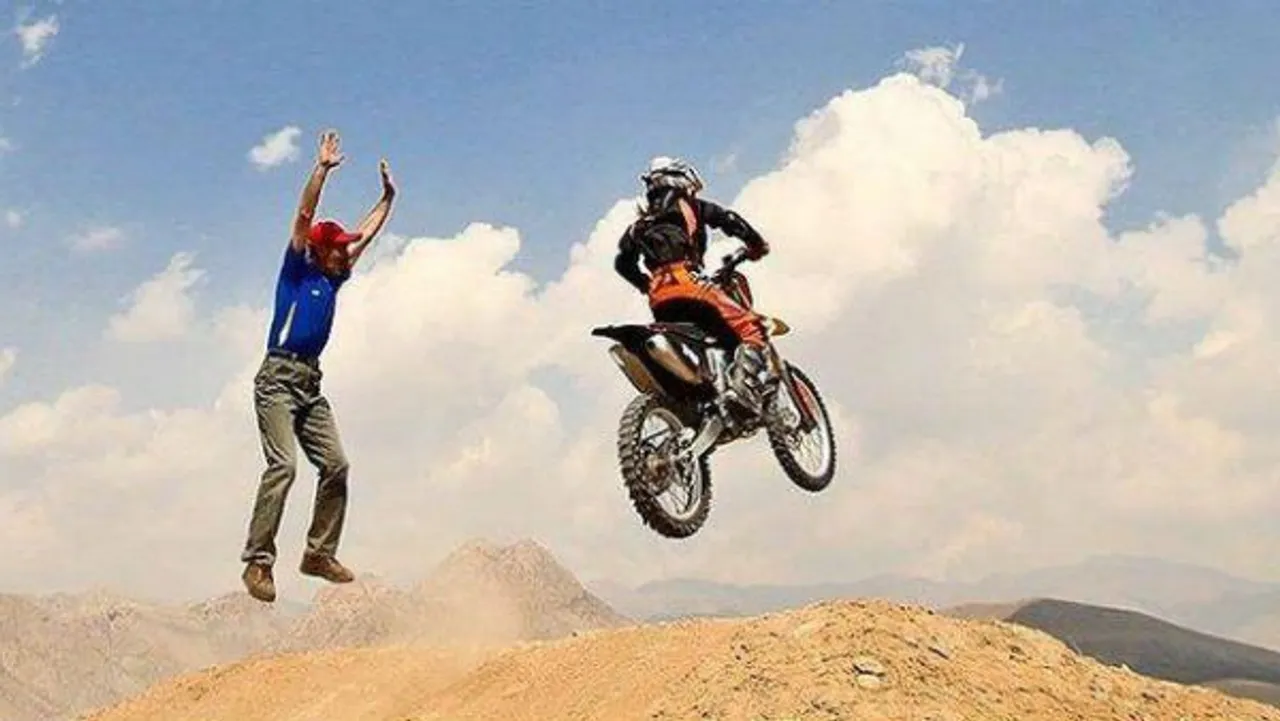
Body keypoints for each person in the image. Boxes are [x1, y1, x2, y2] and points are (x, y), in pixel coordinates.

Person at [240, 129, 396, 603]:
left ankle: (317, 554)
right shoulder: (297, 270)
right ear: (321, 248)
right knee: (283, 466)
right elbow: (304, 215)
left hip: (310, 385)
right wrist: (321, 170)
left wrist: (388, 198)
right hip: (277, 381)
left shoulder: (333, 281)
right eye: (338, 247)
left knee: (336, 465)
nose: (347, 252)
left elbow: (367, 233)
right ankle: (258, 563)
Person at [613, 156, 776, 413]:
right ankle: (742, 392)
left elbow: (623, 264)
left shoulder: (638, 226)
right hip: (689, 282)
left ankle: (708, 396)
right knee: (750, 327)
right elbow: (730, 220)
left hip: (659, 297)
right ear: (682, 179)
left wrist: (646, 285)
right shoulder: (692, 206)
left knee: (704, 338)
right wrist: (756, 244)